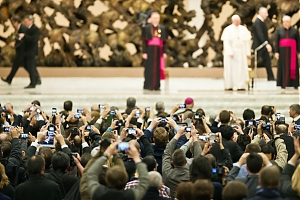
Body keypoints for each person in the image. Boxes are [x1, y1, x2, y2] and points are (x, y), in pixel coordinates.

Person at [221, 14, 251, 91]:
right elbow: (226, 43)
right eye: (236, 21)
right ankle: (229, 85)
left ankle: (241, 86)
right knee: (230, 69)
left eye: (238, 21)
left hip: (241, 52)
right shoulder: (228, 30)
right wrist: (229, 52)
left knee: (241, 70)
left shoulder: (244, 29)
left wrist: (248, 53)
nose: (237, 22)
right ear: (232, 21)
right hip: (231, 53)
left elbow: (246, 42)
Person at [142, 11, 167, 91]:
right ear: (151, 19)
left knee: (157, 68)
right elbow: (144, 42)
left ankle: (156, 85)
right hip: (150, 50)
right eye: (154, 18)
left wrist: (164, 52)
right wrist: (144, 52)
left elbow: (165, 42)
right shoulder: (147, 28)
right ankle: (148, 85)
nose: (156, 20)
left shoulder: (162, 28)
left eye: (157, 18)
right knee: (149, 68)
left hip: (159, 50)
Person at [274, 15, 300, 89]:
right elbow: (276, 42)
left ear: (290, 22)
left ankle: (294, 84)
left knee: (294, 67)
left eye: (287, 22)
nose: (286, 23)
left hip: (293, 52)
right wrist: (276, 52)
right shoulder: (279, 31)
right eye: (285, 22)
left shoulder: (295, 31)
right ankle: (283, 84)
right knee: (283, 67)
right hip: (282, 53)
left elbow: (298, 42)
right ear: (283, 22)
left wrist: (299, 52)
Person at [1, 16, 27, 85]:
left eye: (13, 22)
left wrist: (15, 44)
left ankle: (36, 79)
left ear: (16, 22)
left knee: (26, 66)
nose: (12, 24)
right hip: (20, 51)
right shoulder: (19, 29)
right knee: (20, 65)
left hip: (22, 51)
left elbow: (23, 40)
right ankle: (9, 79)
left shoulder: (22, 29)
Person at [252, 7, 275, 81]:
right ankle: (251, 78)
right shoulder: (257, 22)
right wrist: (266, 44)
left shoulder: (261, 22)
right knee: (254, 63)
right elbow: (260, 34)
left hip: (262, 45)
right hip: (259, 46)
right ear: (261, 13)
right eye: (266, 13)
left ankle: (271, 77)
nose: (267, 15)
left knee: (267, 62)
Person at [21, 15, 41, 89]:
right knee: (29, 66)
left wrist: (24, 36)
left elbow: (34, 39)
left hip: (31, 51)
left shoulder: (35, 29)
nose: (25, 23)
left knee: (31, 67)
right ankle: (36, 79)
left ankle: (33, 83)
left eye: (26, 21)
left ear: (31, 21)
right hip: (27, 51)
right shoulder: (28, 29)